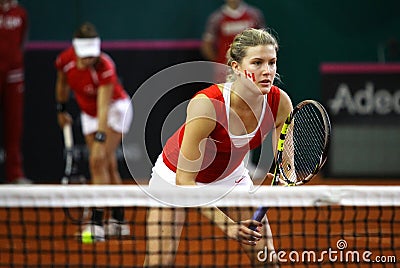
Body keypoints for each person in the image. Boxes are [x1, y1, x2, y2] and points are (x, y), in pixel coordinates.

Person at [144, 28, 292, 267]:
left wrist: (286, 173)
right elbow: (185, 182)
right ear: (235, 67)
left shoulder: (280, 103)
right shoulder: (207, 105)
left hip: (230, 177)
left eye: (272, 62)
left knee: (267, 261)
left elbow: (285, 160)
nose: (267, 71)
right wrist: (231, 228)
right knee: (158, 264)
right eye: (257, 63)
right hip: (175, 178)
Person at [55, 22, 133, 241]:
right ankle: (118, 219)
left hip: (114, 110)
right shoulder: (65, 61)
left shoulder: (105, 65)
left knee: (97, 161)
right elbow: (61, 84)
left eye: (92, 55)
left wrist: (101, 135)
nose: (90, 59)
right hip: (88, 113)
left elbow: (103, 105)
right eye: (85, 56)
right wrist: (61, 108)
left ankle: (97, 222)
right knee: (106, 164)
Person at [201, 0, 267, 178]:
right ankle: (219, 163)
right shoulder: (217, 19)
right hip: (224, 75)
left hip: (249, 74)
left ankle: (245, 165)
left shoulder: (254, 15)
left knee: (248, 115)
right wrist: (221, 63)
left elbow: (263, 42)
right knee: (223, 117)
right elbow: (206, 44)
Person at [0, 0, 31, 184]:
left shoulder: (20, 13)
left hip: (14, 75)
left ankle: (15, 173)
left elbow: (22, 42)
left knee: (14, 124)